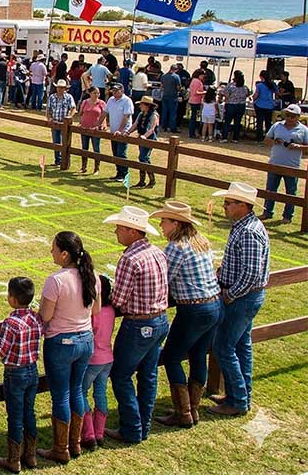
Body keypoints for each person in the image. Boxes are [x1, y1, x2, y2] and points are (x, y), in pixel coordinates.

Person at [147, 201, 221, 429]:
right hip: (214, 305)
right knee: (198, 354)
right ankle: (193, 408)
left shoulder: (175, 247)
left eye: (164, 220)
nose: (161, 224)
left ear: (176, 223)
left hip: (193, 309)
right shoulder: (201, 242)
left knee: (171, 356)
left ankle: (183, 412)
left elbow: (164, 279)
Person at [103, 206, 168, 445]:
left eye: (120, 228)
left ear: (132, 231)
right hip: (160, 320)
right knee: (148, 375)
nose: (117, 232)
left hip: (139, 324)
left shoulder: (130, 258)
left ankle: (132, 428)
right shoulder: (157, 252)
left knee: (120, 375)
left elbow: (119, 299)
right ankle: (144, 425)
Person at [208, 182, 270, 417]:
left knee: (224, 346)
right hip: (245, 297)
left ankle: (238, 400)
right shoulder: (243, 227)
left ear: (243, 206)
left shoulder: (249, 232)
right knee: (242, 346)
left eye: (229, 203)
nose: (225, 206)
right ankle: (239, 394)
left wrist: (230, 294)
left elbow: (252, 273)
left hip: (242, 298)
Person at [36, 231, 98, 463]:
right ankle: (75, 443)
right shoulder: (91, 276)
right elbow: (96, 310)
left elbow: (46, 316)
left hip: (61, 343)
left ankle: (61, 448)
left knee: (61, 394)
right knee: (77, 391)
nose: (50, 251)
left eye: (53, 248)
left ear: (64, 254)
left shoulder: (56, 280)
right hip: (86, 340)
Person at [0, 276, 42, 473]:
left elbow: (1, 349)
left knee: (15, 416)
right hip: (32, 370)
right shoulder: (35, 318)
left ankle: (14, 459)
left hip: (15, 373)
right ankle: (31, 455)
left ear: (13, 299)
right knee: (29, 412)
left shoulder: (11, 322)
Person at [80, 274, 115, 449]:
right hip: (108, 358)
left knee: (81, 392)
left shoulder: (95, 313)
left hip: (94, 360)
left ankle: (88, 434)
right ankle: (99, 432)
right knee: (100, 393)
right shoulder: (111, 310)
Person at [261, 104, 307, 221]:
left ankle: (287, 216)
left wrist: (298, 146)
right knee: (270, 190)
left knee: (290, 193)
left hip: (292, 166)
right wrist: (274, 141)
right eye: (287, 115)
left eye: (292, 116)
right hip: (275, 163)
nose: (289, 118)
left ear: (298, 117)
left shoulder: (304, 130)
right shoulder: (277, 126)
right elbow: (266, 140)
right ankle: (267, 212)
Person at [125, 96, 160, 188]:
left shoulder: (154, 115)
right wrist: (128, 132)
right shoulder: (141, 114)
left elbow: (152, 129)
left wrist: (145, 136)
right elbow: (135, 125)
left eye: (141, 104)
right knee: (142, 158)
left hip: (150, 138)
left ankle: (151, 180)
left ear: (147, 105)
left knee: (144, 157)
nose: (140, 106)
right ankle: (142, 181)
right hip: (141, 138)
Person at [45, 79, 75, 168]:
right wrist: (49, 118)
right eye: (58, 87)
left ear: (65, 88)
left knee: (65, 142)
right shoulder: (52, 97)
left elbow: (73, 108)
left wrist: (69, 118)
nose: (60, 89)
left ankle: (65, 161)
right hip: (55, 122)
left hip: (64, 124)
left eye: (62, 88)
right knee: (56, 142)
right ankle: (57, 160)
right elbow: (48, 109)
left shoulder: (69, 97)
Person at [78, 86, 107, 174]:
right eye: (94, 93)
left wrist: (103, 125)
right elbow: (80, 113)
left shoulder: (102, 103)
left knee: (96, 149)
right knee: (84, 148)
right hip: (85, 128)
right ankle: (83, 167)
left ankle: (96, 168)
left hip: (95, 129)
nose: (96, 95)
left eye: (98, 93)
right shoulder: (85, 102)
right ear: (90, 93)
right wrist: (80, 123)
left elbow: (104, 116)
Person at [221, 71, 249, 143]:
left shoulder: (231, 86)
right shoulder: (245, 87)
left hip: (231, 105)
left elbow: (225, 94)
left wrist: (226, 101)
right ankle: (235, 138)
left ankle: (225, 137)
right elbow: (247, 95)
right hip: (241, 105)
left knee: (227, 122)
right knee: (237, 122)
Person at [252, 71, 279, 141]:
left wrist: (253, 98)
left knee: (259, 122)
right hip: (270, 105)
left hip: (260, 104)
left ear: (261, 77)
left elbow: (256, 95)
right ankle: (268, 138)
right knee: (268, 123)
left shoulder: (259, 85)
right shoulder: (273, 84)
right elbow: (277, 94)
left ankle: (259, 138)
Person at [187, 72, 206, 139]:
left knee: (193, 118)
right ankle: (192, 133)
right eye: (202, 75)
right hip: (195, 101)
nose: (203, 76)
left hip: (192, 100)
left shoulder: (193, 80)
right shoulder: (197, 81)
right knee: (193, 118)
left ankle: (192, 133)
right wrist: (204, 92)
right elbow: (195, 92)